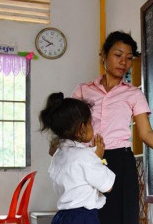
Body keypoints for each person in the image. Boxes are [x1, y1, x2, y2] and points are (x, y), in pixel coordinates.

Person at [50, 31, 153, 224]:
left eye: (129, 58)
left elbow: (145, 133)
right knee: (89, 215)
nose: (123, 62)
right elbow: (68, 123)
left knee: (123, 218)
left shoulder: (134, 94)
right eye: (118, 55)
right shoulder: (82, 90)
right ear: (103, 55)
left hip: (120, 161)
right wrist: (58, 146)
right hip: (87, 160)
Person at [39, 92, 116, 224]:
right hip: (83, 218)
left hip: (61, 217)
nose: (92, 127)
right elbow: (108, 186)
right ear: (82, 128)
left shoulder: (58, 155)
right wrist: (98, 158)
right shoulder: (84, 157)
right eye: (90, 123)